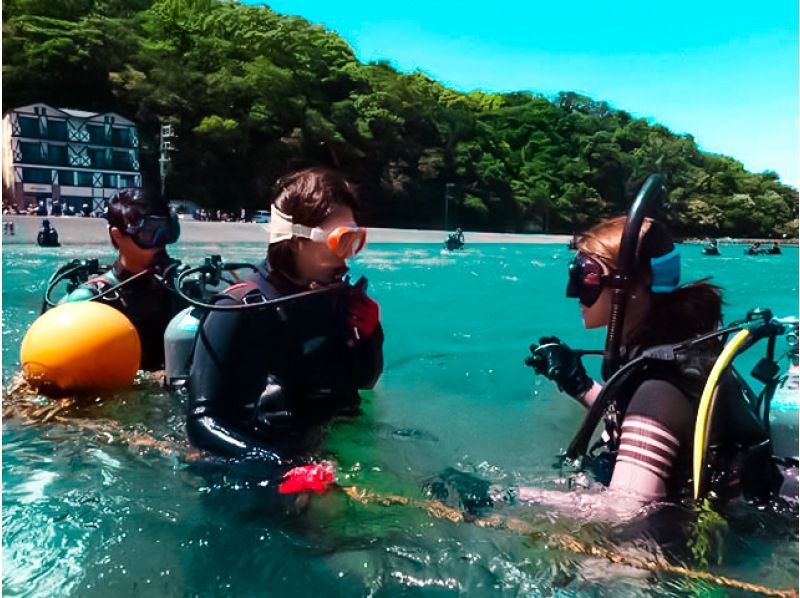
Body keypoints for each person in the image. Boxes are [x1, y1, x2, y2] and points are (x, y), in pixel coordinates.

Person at [522, 215, 779, 517]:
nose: (573, 290)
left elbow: (622, 511)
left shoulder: (661, 386)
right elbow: (639, 419)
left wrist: (505, 496)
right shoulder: (674, 351)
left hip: (674, 549)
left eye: (587, 275)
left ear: (630, 285)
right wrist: (578, 383)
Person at [186, 167, 383, 468]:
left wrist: (370, 337)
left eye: (355, 240)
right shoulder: (239, 308)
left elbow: (363, 382)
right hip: (258, 457)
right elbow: (203, 422)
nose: (348, 256)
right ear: (296, 239)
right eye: (341, 240)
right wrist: (282, 467)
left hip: (324, 444)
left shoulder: (333, 298)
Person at [61, 189, 188, 370]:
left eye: (166, 230)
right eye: (149, 232)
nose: (161, 242)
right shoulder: (91, 301)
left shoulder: (177, 290)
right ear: (117, 235)